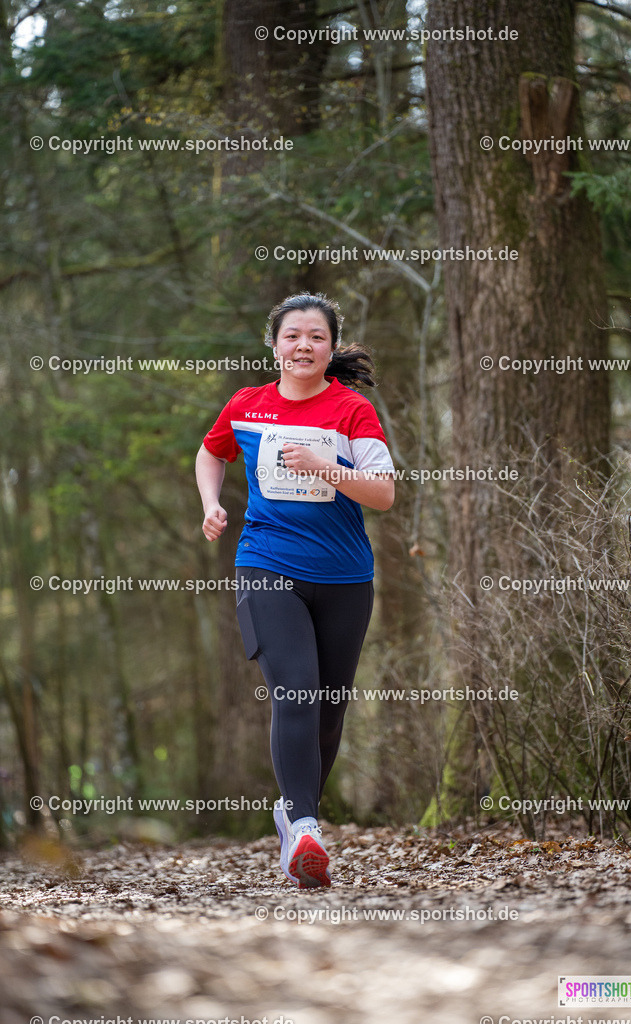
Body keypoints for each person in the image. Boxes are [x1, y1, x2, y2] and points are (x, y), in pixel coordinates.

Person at [195, 292, 395, 888]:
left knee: (329, 710)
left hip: (345, 577)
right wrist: (211, 504)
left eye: (316, 337)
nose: (303, 346)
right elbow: (210, 453)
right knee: (297, 693)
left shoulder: (352, 410)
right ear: (273, 344)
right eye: (292, 336)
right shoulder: (247, 405)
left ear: (331, 348)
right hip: (267, 566)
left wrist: (324, 466)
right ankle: (306, 828)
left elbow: (383, 493)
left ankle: (292, 813)